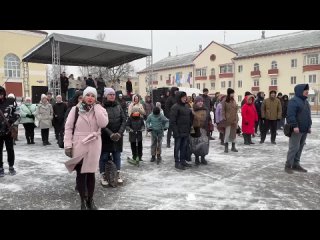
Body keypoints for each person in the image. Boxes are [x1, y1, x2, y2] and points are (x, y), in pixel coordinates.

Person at [64, 86, 109, 210]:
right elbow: (68, 128)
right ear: (83, 96)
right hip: (79, 144)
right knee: (81, 173)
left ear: (96, 98)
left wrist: (98, 108)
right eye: (88, 95)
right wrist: (68, 145)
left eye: (93, 96)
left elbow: (103, 124)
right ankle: (82, 200)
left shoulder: (100, 109)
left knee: (90, 173)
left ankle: (90, 199)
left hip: (94, 144)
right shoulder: (75, 109)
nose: (90, 98)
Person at [100, 88, 126, 186]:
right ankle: (103, 176)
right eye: (110, 94)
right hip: (106, 137)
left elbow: (124, 120)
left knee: (117, 156)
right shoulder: (102, 107)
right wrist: (110, 133)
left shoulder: (118, 106)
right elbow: (101, 123)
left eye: (113, 94)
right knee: (104, 157)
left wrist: (119, 133)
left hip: (118, 137)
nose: (112, 96)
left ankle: (117, 174)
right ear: (106, 96)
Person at [285, 84, 312, 174]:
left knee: (300, 147)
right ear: (300, 91)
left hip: (304, 129)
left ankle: (296, 164)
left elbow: (308, 115)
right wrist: (294, 126)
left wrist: (309, 126)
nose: (307, 93)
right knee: (294, 148)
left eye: (307, 91)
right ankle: (288, 165)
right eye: (306, 91)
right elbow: (290, 115)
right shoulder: (294, 101)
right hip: (297, 129)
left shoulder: (305, 102)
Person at [170, 91, 193, 170]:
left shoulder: (186, 106)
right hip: (178, 132)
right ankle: (177, 162)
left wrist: (190, 126)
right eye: (183, 97)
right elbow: (172, 121)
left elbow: (189, 118)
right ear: (179, 98)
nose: (185, 98)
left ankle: (183, 161)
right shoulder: (175, 107)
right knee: (177, 147)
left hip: (185, 131)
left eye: (185, 97)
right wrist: (175, 132)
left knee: (184, 147)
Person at [0, 86, 19, 177]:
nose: (0, 96)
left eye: (1, 94)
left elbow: (18, 112)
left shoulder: (11, 102)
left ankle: (11, 166)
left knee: (10, 149)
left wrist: (11, 120)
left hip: (8, 130)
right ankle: (0, 168)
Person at [190, 96, 209, 165]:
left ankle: (203, 158)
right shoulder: (192, 109)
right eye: (199, 101)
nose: (200, 102)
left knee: (204, 144)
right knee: (195, 144)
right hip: (194, 129)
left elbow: (203, 119)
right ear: (196, 102)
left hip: (202, 129)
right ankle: (197, 157)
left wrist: (194, 114)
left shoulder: (205, 109)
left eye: (202, 101)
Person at [221, 88, 239, 153]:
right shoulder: (225, 101)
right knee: (227, 133)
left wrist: (237, 118)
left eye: (233, 93)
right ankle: (226, 147)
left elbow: (235, 110)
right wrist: (224, 117)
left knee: (233, 133)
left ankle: (233, 147)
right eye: (231, 93)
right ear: (229, 93)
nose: (233, 94)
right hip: (227, 120)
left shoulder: (234, 101)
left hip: (234, 119)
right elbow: (223, 110)